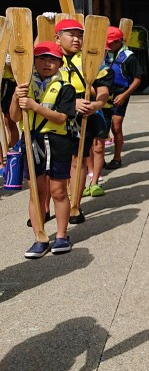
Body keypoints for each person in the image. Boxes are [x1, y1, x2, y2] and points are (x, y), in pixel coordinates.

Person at [10, 42, 77, 258]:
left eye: (53, 60)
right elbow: (14, 116)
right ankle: (39, 238)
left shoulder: (65, 87)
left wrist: (35, 106)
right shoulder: (24, 85)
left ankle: (62, 235)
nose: (47, 63)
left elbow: (62, 117)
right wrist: (16, 97)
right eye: (42, 58)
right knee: (36, 192)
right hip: (32, 141)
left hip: (57, 142)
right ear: (34, 61)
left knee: (58, 191)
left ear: (60, 63)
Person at [55, 18, 112, 220]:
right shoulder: (47, 58)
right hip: (53, 116)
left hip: (83, 117)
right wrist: (71, 104)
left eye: (80, 35)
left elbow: (103, 88)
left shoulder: (90, 58)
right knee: (51, 165)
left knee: (77, 160)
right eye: (71, 35)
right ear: (57, 38)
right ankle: (45, 207)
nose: (76, 39)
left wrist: (97, 104)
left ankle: (75, 205)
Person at [103, 25, 145, 171]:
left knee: (116, 127)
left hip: (120, 94)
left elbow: (137, 79)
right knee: (101, 129)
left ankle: (117, 158)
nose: (108, 46)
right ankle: (100, 158)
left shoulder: (129, 57)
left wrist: (124, 95)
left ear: (118, 41)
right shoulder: (104, 53)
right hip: (104, 94)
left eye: (110, 43)